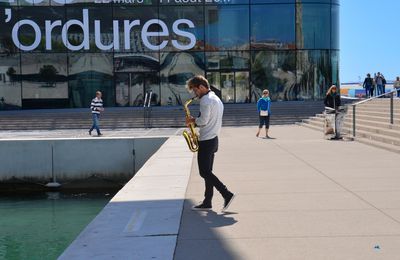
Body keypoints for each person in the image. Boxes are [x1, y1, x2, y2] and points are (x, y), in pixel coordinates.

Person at [185, 75, 235, 212]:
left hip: (207, 140)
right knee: (208, 172)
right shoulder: (216, 98)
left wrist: (192, 121)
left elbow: (203, 121)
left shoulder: (205, 101)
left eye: (195, 91)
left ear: (201, 87)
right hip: (214, 139)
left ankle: (226, 194)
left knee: (204, 172)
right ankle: (208, 201)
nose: (195, 94)